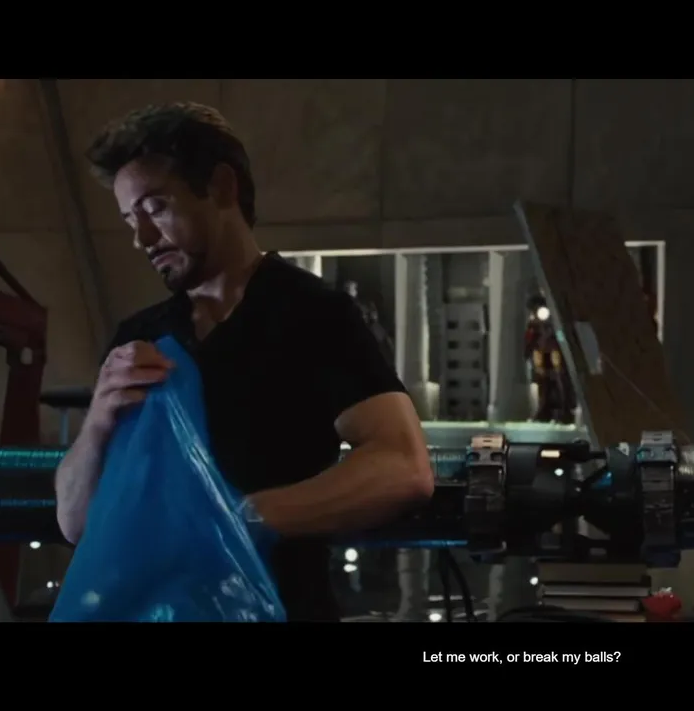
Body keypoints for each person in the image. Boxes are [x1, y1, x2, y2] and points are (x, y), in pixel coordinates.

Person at [52, 102, 434, 622]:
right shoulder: (138, 337)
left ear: (222, 187)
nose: (142, 238)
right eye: (129, 220)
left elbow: (404, 467)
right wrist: (97, 423)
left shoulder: (310, 314)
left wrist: (246, 518)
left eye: (155, 208)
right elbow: (76, 523)